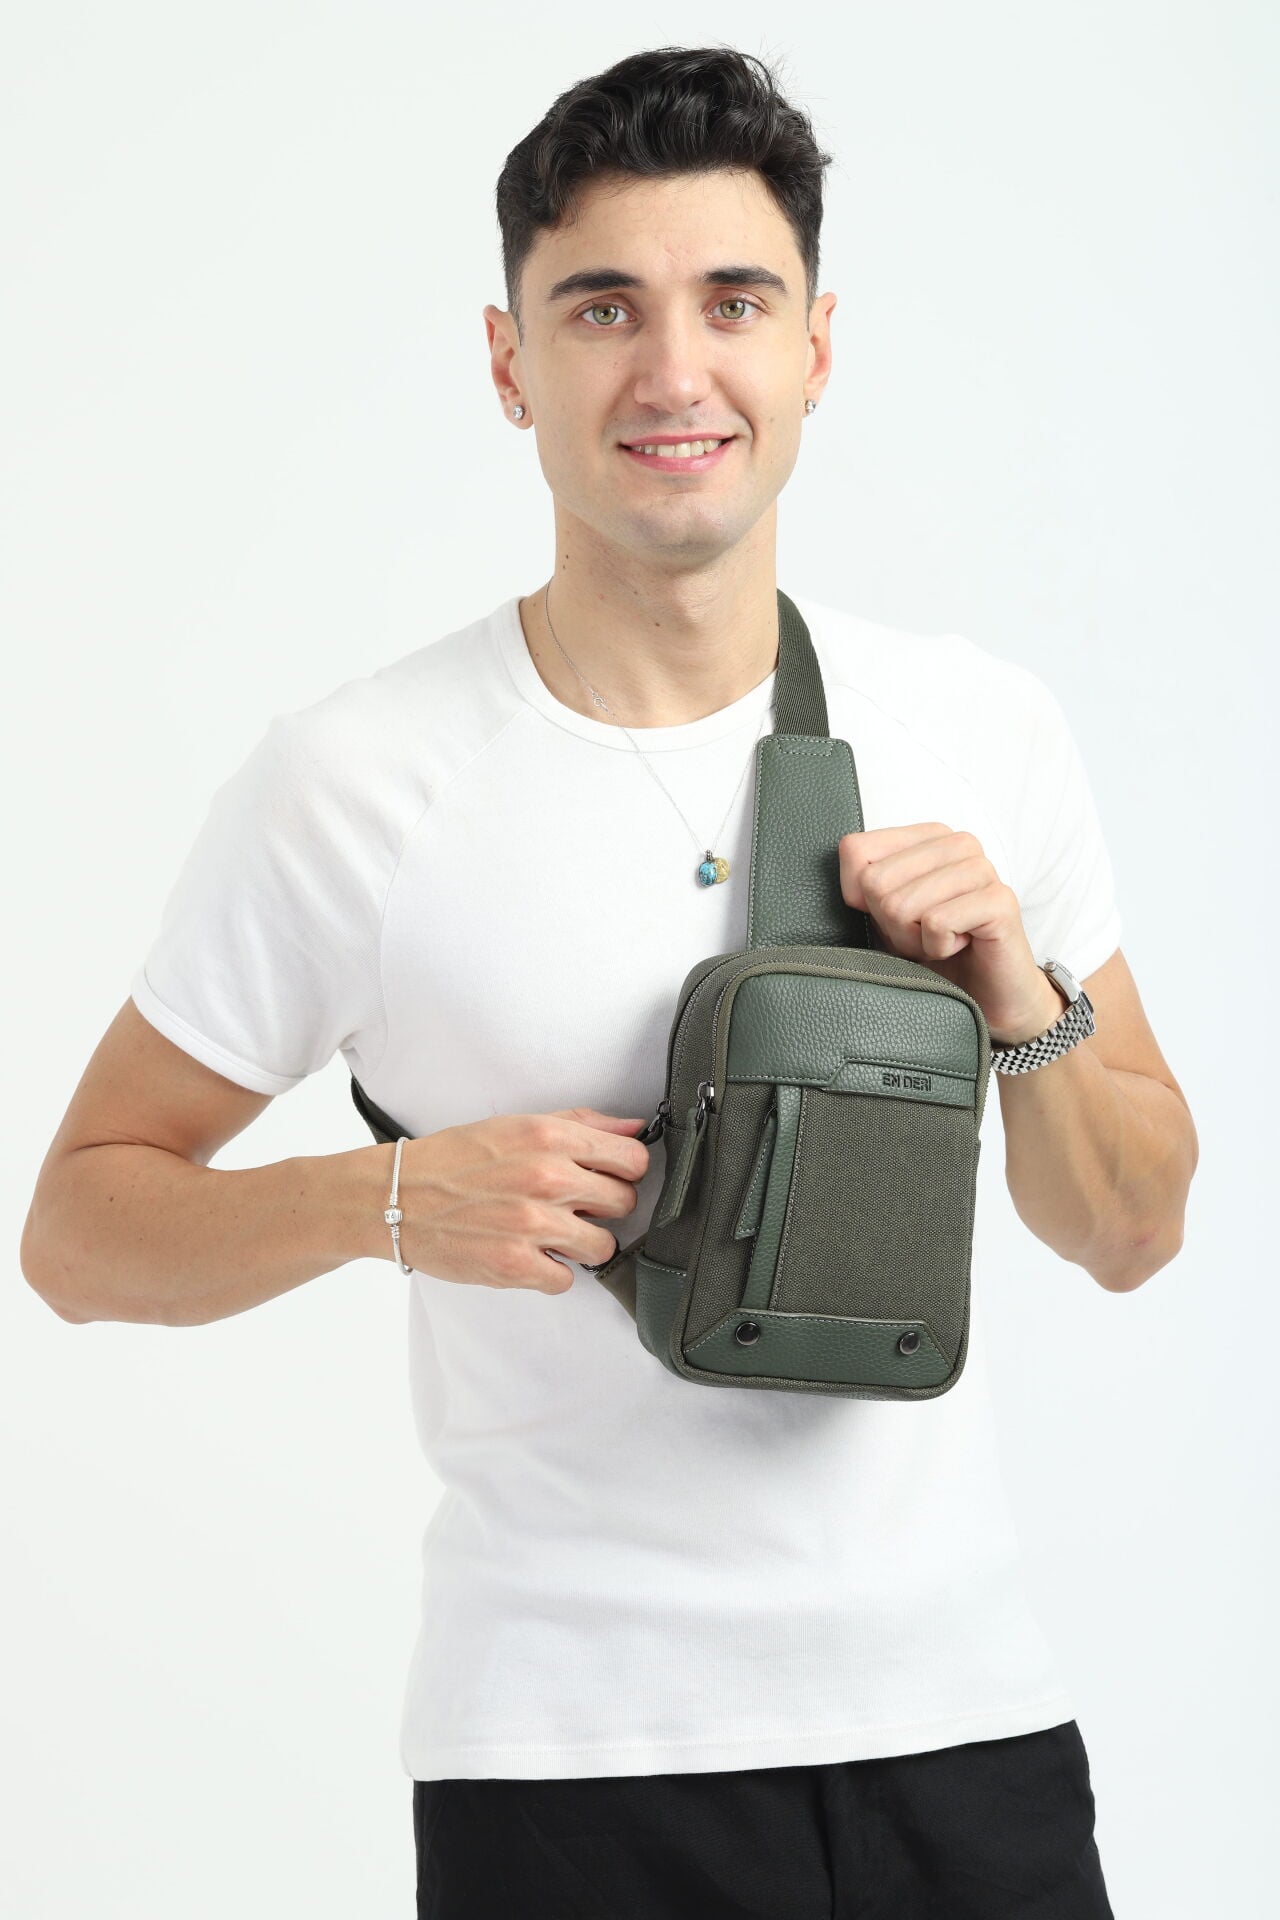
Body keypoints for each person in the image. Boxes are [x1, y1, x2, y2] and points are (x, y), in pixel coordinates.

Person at [22, 42, 1198, 1920]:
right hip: (569, 1766)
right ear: (510, 364)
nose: (672, 371)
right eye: (600, 309)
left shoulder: (983, 727)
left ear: (816, 346)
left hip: (967, 1739)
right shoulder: (357, 781)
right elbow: (78, 1232)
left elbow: (1134, 1229)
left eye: (734, 301)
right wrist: (389, 1198)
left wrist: (1018, 1003)